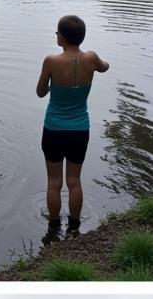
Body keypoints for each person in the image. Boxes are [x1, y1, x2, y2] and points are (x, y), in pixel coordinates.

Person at [35, 14, 110, 240]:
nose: (56, 36)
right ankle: (75, 227)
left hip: (54, 129)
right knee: (74, 181)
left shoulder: (51, 61)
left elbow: (40, 92)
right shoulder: (91, 58)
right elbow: (105, 67)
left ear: (62, 38)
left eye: (57, 33)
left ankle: (54, 227)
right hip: (80, 129)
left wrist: (51, 85)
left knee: (54, 182)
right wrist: (97, 63)